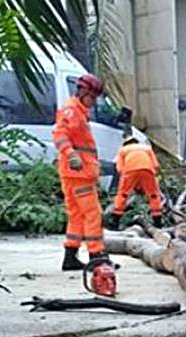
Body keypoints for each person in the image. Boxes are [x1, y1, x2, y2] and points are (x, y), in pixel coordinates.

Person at [53, 73, 108, 271]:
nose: (93, 102)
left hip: (74, 173)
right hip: (79, 173)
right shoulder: (72, 111)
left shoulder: (78, 111)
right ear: (84, 92)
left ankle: (70, 257)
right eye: (92, 97)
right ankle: (97, 256)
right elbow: (59, 134)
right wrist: (71, 154)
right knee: (93, 214)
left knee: (76, 215)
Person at [108, 135, 162, 230]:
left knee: (123, 195)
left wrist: (129, 182)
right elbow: (156, 166)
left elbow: (120, 168)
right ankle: (158, 223)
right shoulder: (147, 148)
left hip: (129, 171)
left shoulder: (123, 150)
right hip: (148, 170)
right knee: (153, 195)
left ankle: (115, 222)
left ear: (126, 143)